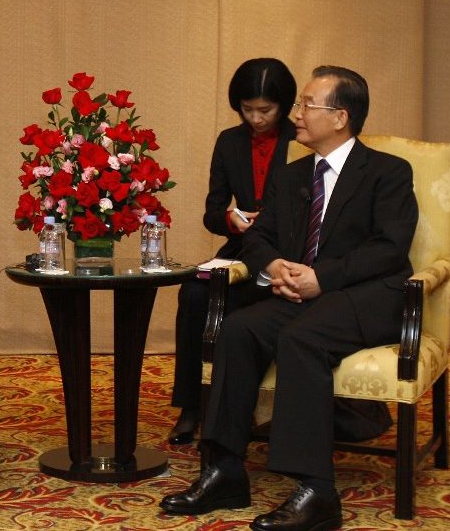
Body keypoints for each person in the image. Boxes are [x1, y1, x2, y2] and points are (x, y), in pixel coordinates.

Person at [160, 66, 418, 531]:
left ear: (339, 117)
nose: (295, 114)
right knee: (237, 330)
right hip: (305, 293)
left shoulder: (388, 172)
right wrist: (274, 266)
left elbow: (389, 247)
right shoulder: (292, 175)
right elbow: (261, 237)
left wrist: (321, 277)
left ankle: (317, 490)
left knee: (302, 338)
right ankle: (223, 471)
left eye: (306, 105)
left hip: (367, 296)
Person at [169, 58, 297, 445]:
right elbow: (212, 212)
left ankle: (248, 405)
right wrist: (231, 219)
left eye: (266, 110)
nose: (256, 118)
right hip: (242, 244)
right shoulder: (230, 142)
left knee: (249, 302)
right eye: (247, 109)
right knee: (193, 292)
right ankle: (193, 404)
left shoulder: (302, 138)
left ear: (285, 104)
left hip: (288, 248)